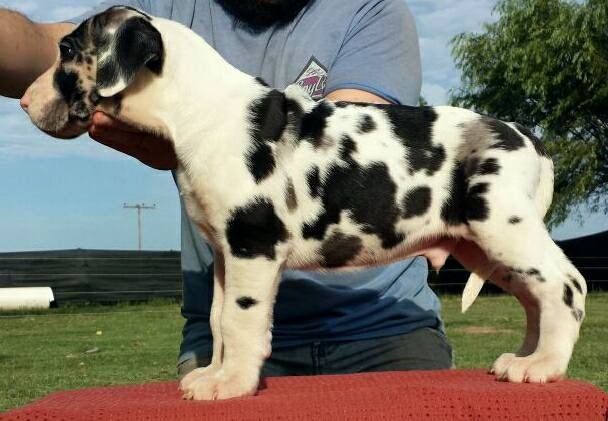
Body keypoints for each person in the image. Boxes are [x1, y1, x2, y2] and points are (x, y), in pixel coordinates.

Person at [1, 0, 452, 378]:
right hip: (216, 336)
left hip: (382, 330)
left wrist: (188, 142)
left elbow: (336, 170)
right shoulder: (165, 8)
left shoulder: (372, 9)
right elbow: (54, 47)